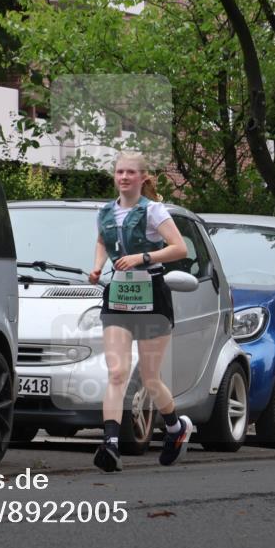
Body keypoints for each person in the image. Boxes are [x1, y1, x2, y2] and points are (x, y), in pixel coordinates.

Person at [88, 151, 191, 472]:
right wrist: (97, 267)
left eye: (131, 172)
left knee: (149, 378)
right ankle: (111, 444)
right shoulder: (106, 211)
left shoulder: (153, 211)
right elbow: (103, 240)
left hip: (151, 296)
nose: (124, 177)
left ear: (143, 177)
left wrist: (142, 258)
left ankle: (176, 428)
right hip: (118, 294)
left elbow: (179, 248)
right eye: (120, 172)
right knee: (117, 373)